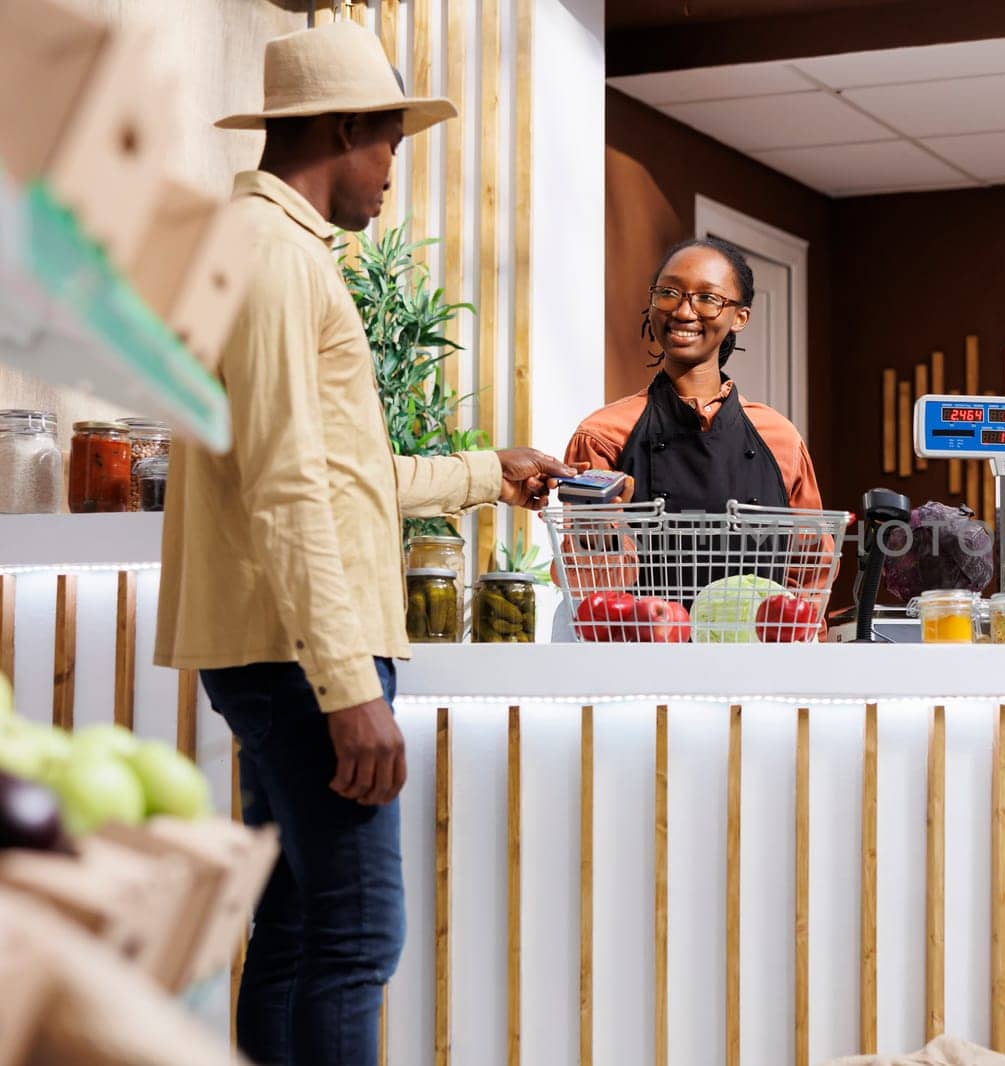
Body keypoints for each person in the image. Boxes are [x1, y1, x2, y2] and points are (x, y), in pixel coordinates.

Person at [153, 23, 573, 1066]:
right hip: (305, 653)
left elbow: (339, 475)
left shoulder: (256, 249)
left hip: (274, 643)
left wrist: (489, 471)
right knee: (355, 937)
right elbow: (289, 484)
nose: (392, 174)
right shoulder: (278, 260)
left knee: (297, 935)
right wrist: (351, 689)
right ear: (343, 130)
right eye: (389, 144)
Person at [565, 237, 821, 515]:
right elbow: (586, 553)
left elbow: (811, 554)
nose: (684, 311)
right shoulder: (603, 435)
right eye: (668, 293)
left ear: (740, 318)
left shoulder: (780, 438)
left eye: (708, 298)